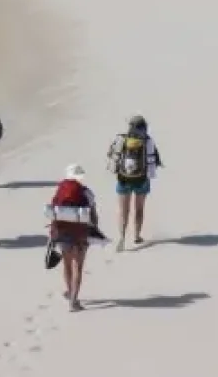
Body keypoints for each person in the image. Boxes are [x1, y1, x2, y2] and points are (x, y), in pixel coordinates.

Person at [106, 114, 164, 251]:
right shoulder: (148, 141)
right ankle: (137, 236)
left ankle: (122, 236)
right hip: (141, 180)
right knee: (139, 209)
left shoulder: (121, 139)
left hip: (123, 179)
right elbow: (155, 160)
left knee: (123, 210)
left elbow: (111, 154)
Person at [47, 164, 99, 311]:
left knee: (67, 265)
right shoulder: (86, 192)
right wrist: (94, 230)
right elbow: (93, 215)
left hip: (62, 233)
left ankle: (70, 292)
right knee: (78, 266)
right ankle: (74, 301)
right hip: (80, 234)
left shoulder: (60, 190)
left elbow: (53, 212)